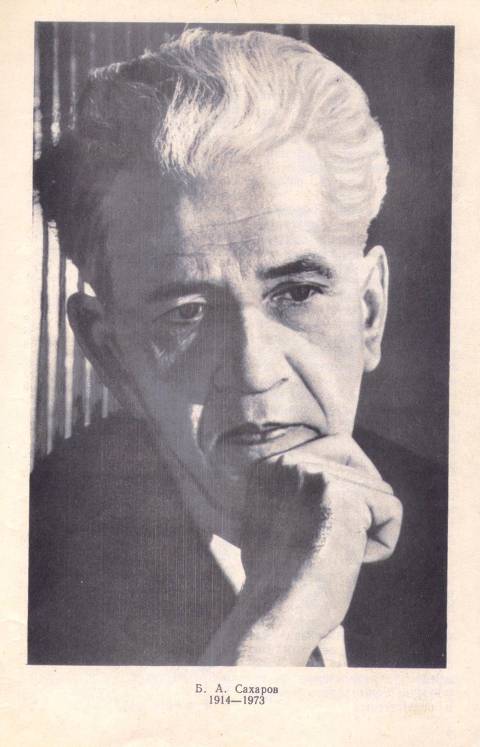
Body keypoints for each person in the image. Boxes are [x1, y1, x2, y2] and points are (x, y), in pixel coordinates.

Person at [29, 28, 447, 667]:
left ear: (369, 311)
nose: (255, 371)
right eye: (186, 314)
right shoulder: (31, 559)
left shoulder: (456, 526)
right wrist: (274, 622)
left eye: (299, 293)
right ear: (111, 358)